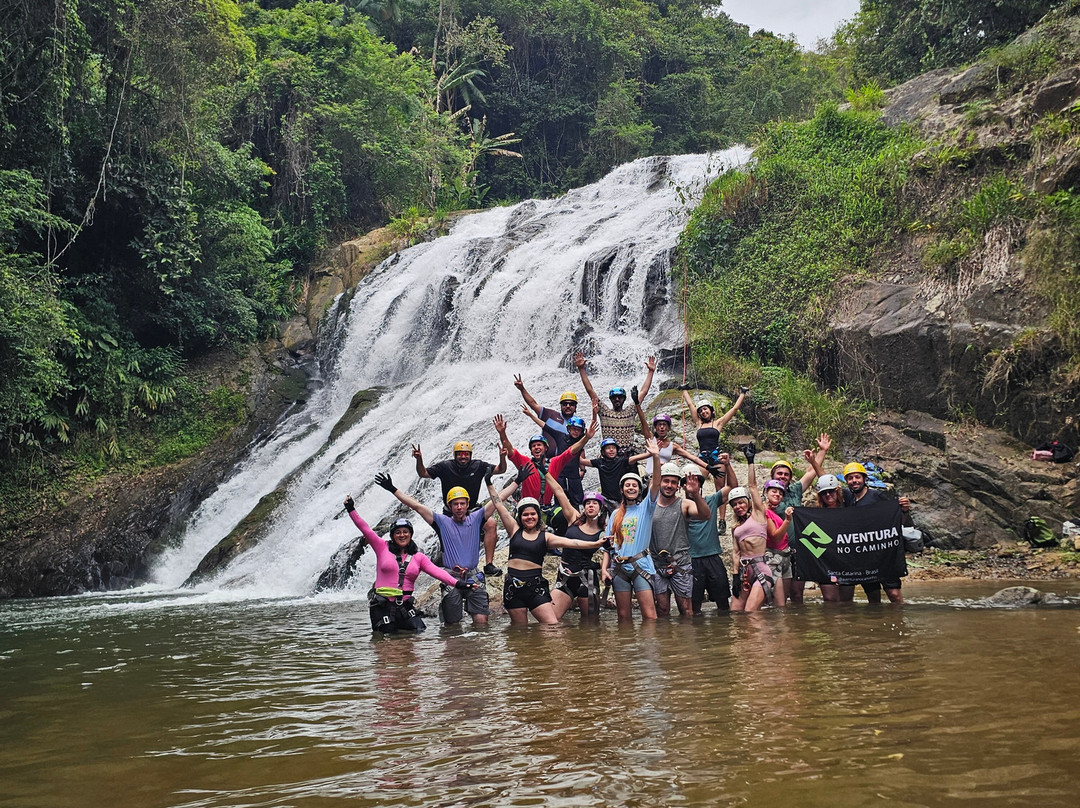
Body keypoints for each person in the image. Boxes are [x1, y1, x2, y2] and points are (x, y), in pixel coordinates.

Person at [373, 471, 501, 626]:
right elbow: (416, 506)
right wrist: (393, 489)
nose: (459, 507)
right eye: (455, 504)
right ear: (449, 506)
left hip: (474, 576)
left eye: (462, 503)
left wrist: (515, 481)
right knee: (452, 626)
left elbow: (499, 500)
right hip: (450, 576)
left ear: (468, 504)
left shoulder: (477, 518)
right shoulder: (441, 522)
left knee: (482, 623)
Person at [342, 496, 474, 633]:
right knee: (386, 642)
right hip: (382, 605)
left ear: (410, 534)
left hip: (404, 606)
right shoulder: (381, 547)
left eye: (405, 532)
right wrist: (351, 509)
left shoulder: (418, 557)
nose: (402, 535)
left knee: (419, 631)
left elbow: (438, 572)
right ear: (392, 536)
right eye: (397, 533)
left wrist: (458, 584)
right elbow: (365, 529)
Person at [486, 476, 607, 625]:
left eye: (533, 514)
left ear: (538, 516)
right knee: (519, 632)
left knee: (552, 626)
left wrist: (595, 544)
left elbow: (572, 543)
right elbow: (498, 505)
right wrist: (489, 483)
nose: (529, 517)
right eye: (525, 514)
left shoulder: (546, 537)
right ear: (520, 516)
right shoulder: (514, 530)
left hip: (536, 587)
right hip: (513, 587)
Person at [412, 440, 507, 576]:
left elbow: (501, 469)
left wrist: (502, 457)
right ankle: (450, 567)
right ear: (455, 455)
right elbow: (424, 473)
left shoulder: (478, 466)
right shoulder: (445, 466)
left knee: (491, 524)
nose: (463, 457)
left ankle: (489, 565)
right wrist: (419, 459)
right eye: (460, 454)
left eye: (466, 454)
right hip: (450, 510)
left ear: (470, 455)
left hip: (471, 508)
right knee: (447, 538)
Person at [599, 438, 663, 622]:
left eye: (634, 485)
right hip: (619, 567)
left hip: (640, 565)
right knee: (623, 617)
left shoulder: (646, 508)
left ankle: (649, 650)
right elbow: (607, 546)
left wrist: (655, 457)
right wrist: (604, 569)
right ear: (622, 489)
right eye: (627, 485)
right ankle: (627, 651)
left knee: (650, 616)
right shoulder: (615, 515)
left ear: (639, 489)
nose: (631, 487)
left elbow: (656, 484)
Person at [770, 434, 830, 604]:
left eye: (786, 474)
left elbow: (812, 472)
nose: (782, 476)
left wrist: (821, 452)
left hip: (800, 548)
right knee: (781, 594)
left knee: (797, 593)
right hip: (779, 550)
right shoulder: (768, 496)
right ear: (772, 475)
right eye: (779, 473)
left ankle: (797, 627)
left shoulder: (795, 490)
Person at [493, 412, 595, 509]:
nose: (536, 448)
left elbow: (571, 451)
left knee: (562, 517)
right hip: (527, 506)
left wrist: (586, 438)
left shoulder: (554, 463)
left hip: (547, 507)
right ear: (531, 450)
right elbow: (510, 450)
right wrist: (502, 433)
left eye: (539, 445)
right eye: (533, 446)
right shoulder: (524, 462)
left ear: (546, 448)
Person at [842, 462, 910, 604]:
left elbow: (894, 520)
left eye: (857, 477)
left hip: (884, 556)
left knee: (894, 594)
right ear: (846, 481)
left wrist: (903, 510)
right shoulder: (849, 498)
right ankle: (876, 623)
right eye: (850, 478)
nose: (854, 481)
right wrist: (814, 461)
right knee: (873, 599)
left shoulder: (877, 496)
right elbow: (825, 480)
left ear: (864, 479)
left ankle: (900, 624)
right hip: (865, 558)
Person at [649, 462, 711, 617]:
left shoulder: (684, 504)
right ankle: (666, 640)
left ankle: (686, 640)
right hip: (657, 564)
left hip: (680, 564)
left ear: (678, 486)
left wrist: (696, 494)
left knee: (686, 609)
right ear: (660, 481)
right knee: (662, 609)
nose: (669, 485)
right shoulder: (649, 506)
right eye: (666, 481)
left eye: (674, 482)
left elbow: (706, 515)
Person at [575, 351, 656, 453]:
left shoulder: (630, 411)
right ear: (610, 399)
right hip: (609, 457)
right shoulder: (605, 412)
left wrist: (651, 372)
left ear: (624, 399)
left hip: (628, 457)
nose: (617, 399)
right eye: (614, 397)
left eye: (620, 397)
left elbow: (643, 392)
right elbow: (590, 391)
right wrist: (581, 369)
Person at [547, 485, 609, 619]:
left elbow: (615, 554)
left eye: (594, 503)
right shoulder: (573, 519)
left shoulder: (604, 532)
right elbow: (559, 492)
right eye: (587, 503)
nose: (590, 506)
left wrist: (597, 565)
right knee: (550, 621)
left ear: (601, 508)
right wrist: (544, 471)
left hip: (587, 579)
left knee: (590, 627)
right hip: (564, 577)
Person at [685, 456, 737, 614]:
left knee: (723, 604)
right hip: (691, 560)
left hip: (713, 557)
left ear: (700, 484)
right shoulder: (679, 506)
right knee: (694, 607)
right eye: (687, 482)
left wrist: (727, 465)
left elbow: (733, 486)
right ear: (682, 486)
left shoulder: (711, 500)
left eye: (696, 481)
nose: (692, 485)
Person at [729, 442, 775, 612]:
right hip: (743, 572)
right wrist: (735, 576)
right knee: (735, 612)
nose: (738, 506)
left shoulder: (758, 514)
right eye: (734, 505)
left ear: (747, 503)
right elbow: (735, 552)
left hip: (761, 568)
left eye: (741, 502)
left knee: (750, 613)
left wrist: (750, 461)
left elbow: (753, 486)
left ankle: (760, 639)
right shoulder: (735, 528)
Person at [520, 404, 590, 507]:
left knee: (577, 503)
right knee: (559, 502)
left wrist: (582, 469)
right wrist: (531, 415)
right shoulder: (560, 436)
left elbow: (589, 435)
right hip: (560, 475)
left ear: (581, 432)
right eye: (573, 429)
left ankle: (577, 522)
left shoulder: (582, 440)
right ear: (568, 429)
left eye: (578, 430)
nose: (575, 432)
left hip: (574, 476)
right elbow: (545, 426)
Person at [680, 386, 748, 467]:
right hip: (702, 457)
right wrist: (684, 389)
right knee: (700, 479)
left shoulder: (718, 423)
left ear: (712, 411)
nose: (703, 412)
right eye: (701, 411)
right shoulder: (698, 423)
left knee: (719, 479)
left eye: (705, 409)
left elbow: (734, 409)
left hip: (717, 457)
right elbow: (690, 405)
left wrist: (743, 393)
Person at [513, 375, 580, 456]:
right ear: (561, 406)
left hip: (565, 465)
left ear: (575, 406)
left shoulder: (578, 425)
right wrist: (522, 389)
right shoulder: (550, 415)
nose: (568, 406)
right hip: (545, 462)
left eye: (571, 404)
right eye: (565, 404)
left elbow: (580, 447)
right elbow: (533, 404)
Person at [763, 479, 793, 606]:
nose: (777, 495)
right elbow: (775, 536)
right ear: (766, 493)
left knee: (783, 601)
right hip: (773, 558)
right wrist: (787, 520)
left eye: (780, 493)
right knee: (780, 604)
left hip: (785, 557)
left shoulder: (772, 512)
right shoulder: (764, 512)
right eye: (773, 491)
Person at [580, 437, 636, 505]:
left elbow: (635, 458)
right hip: (605, 498)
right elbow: (581, 461)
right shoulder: (599, 462)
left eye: (613, 448)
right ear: (603, 452)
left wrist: (650, 453)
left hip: (620, 498)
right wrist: (581, 444)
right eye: (608, 448)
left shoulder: (621, 461)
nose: (611, 450)